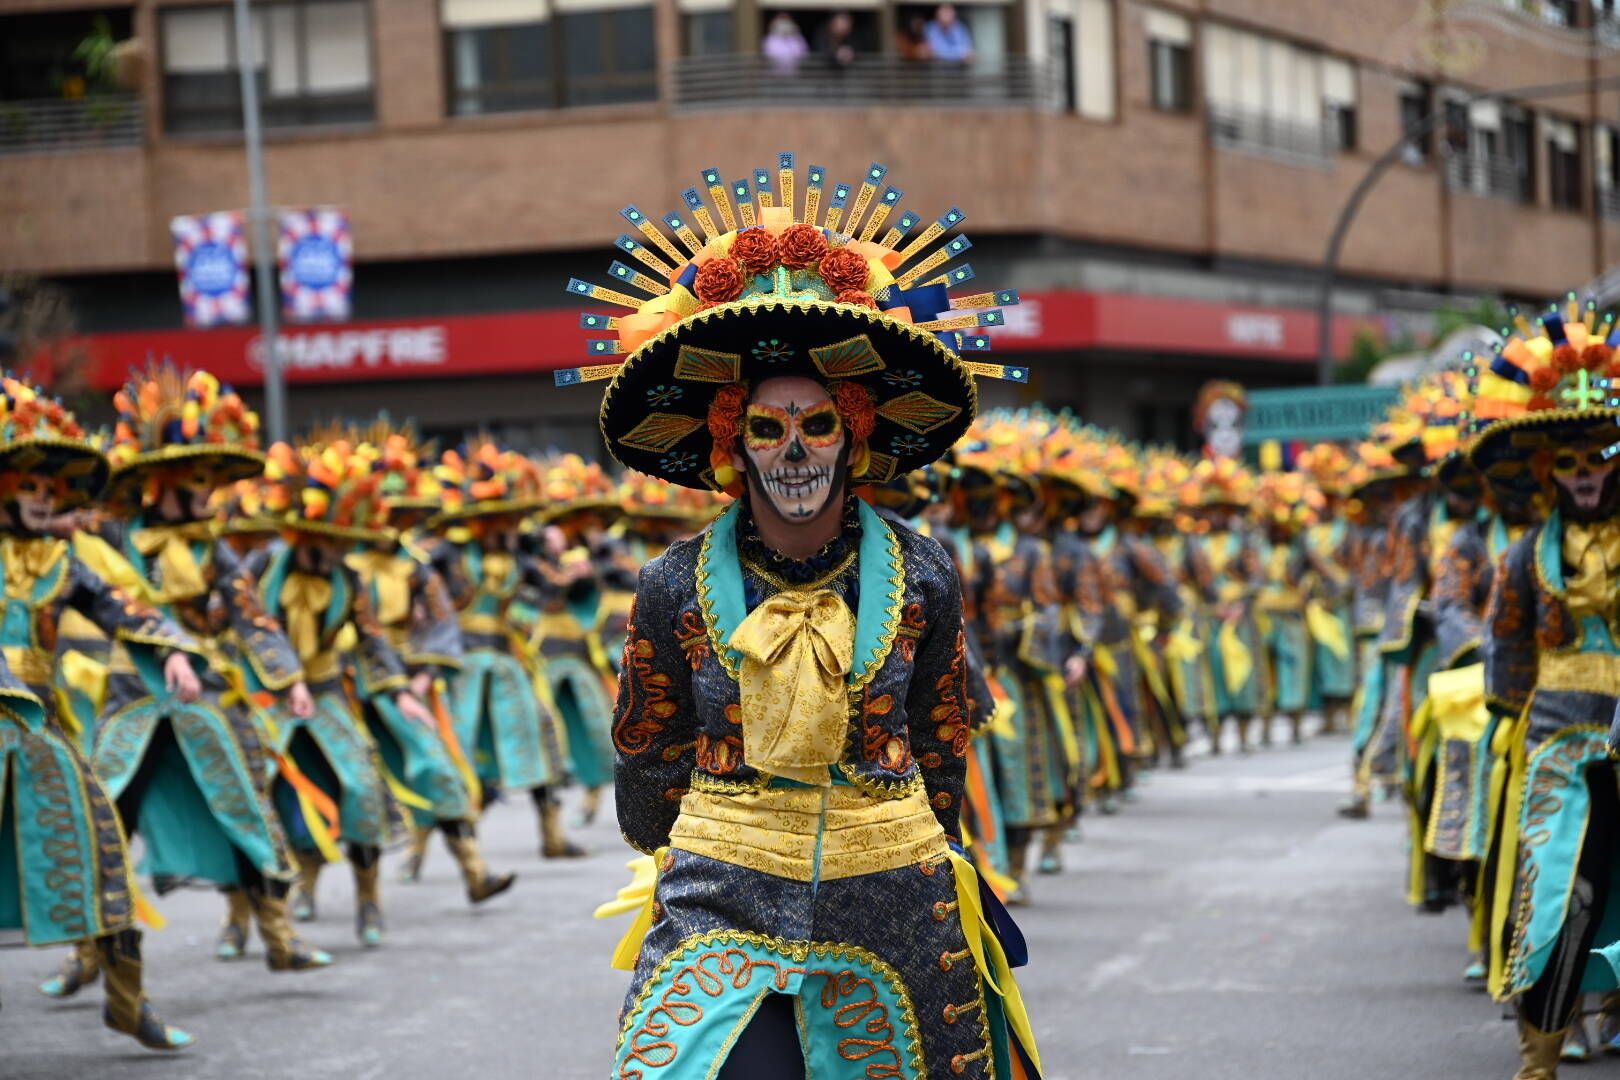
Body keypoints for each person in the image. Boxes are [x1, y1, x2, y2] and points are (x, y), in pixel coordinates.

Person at [563, 155, 1041, 1078]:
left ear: (854, 431)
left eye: (816, 424)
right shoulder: (672, 583)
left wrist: (912, 846)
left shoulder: (924, 572)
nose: (792, 451)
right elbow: (646, 762)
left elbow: (942, 750)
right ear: (730, 440)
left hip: (893, 891)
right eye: (767, 428)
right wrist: (722, 838)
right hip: (723, 894)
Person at [0, 373, 199, 1051]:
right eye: (30, 485)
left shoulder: (61, 561)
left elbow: (124, 608)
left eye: (51, 489)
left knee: (103, 853)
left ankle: (126, 1002)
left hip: (38, 730)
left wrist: (170, 650)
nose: (44, 498)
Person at [1471, 303, 1620, 1079]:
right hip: (1559, 738)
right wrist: (1505, 725)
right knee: (1565, 893)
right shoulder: (1524, 557)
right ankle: (1540, 1052)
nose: (1587, 471)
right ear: (1545, 471)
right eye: (1569, 460)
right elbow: (1506, 649)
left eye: (1601, 452)